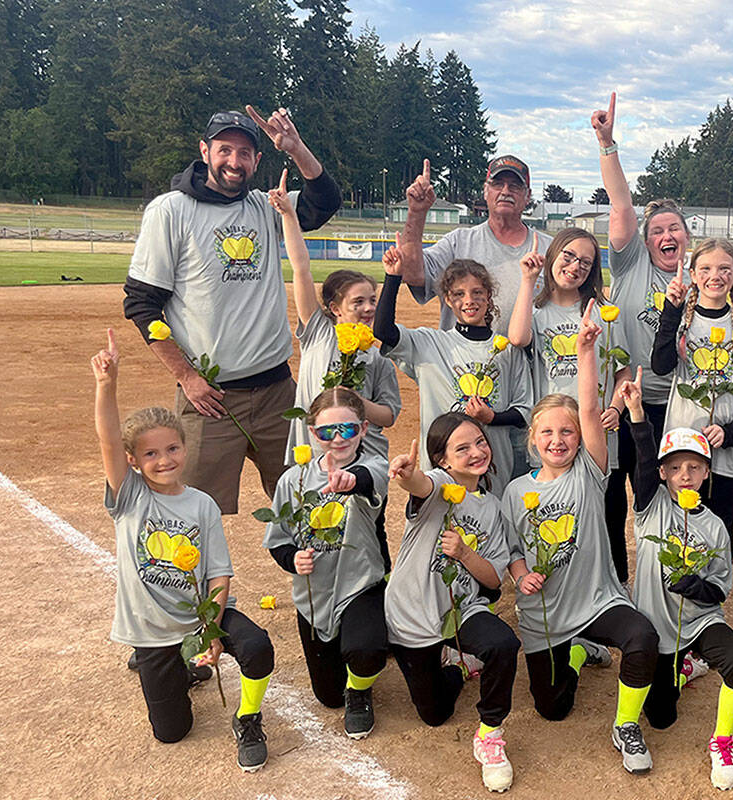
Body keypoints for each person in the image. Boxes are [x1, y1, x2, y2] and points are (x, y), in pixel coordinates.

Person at [122, 106, 341, 514]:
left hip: (278, 392)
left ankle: (311, 576)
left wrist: (295, 148)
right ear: (205, 151)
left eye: (245, 154)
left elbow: (323, 202)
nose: (234, 162)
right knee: (189, 514)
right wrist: (186, 377)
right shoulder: (170, 211)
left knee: (306, 500)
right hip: (211, 399)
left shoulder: (265, 206)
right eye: (225, 150)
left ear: (257, 160)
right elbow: (141, 303)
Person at [92, 329, 274, 771]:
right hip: (152, 630)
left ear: (184, 448)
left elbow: (218, 576)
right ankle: (174, 665)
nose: (164, 459)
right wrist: (107, 385)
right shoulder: (130, 496)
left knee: (256, 645)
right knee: (172, 733)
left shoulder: (201, 504)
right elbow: (109, 440)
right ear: (135, 461)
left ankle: (248, 716)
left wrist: (210, 632)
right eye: (150, 453)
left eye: (172, 448)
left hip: (198, 617)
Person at [502, 303, 661, 775]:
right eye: (548, 432)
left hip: (596, 600)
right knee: (552, 709)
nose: (558, 439)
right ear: (533, 440)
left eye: (567, 431)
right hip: (545, 612)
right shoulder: (515, 491)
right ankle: (575, 649)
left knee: (641, 637)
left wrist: (585, 351)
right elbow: (511, 549)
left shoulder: (589, 474)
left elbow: (590, 407)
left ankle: (626, 725)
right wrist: (521, 573)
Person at [622, 371, 733, 791]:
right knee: (661, 718)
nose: (683, 473)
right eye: (674, 467)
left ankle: (722, 738)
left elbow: (719, 587)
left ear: (705, 474)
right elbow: (643, 459)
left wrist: (697, 587)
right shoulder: (650, 507)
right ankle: (681, 670)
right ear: (663, 474)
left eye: (693, 467)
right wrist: (638, 414)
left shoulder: (715, 526)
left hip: (698, 620)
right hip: (657, 627)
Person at [270, 172, 401, 566]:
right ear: (334, 307)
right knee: (313, 524)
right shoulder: (318, 334)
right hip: (313, 451)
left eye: (372, 300)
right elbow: (301, 268)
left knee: (366, 530)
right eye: (358, 301)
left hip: (364, 459)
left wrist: (353, 402)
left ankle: (374, 588)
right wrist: (290, 217)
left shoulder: (377, 356)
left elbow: (389, 415)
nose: (368, 308)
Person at [386, 416, 522, 794]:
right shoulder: (441, 485)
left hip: (461, 607)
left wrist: (463, 552)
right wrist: (409, 475)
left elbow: (494, 580)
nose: (476, 452)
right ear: (443, 460)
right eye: (462, 448)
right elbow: (420, 485)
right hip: (413, 614)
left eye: (480, 442)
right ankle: (458, 667)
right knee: (435, 714)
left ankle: (490, 733)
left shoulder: (493, 508)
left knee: (503, 644)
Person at [592, 91, 691, 583]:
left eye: (675, 229)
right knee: (612, 496)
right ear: (645, 239)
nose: (666, 236)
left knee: (663, 498)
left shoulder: (705, 284)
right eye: (657, 231)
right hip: (622, 401)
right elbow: (621, 204)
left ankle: (662, 584)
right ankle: (615, 583)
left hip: (674, 410)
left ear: (686, 238)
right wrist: (608, 146)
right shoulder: (630, 264)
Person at [262, 387, 390, 740]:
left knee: (364, 651)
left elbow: (365, 482)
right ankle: (348, 678)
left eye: (347, 429)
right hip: (314, 593)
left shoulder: (373, 466)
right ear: (312, 434)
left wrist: (348, 481)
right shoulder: (293, 480)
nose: (337, 439)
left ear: (363, 429)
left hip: (359, 584)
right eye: (326, 431)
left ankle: (361, 691)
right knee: (328, 696)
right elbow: (279, 541)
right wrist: (294, 559)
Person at [508, 228, 633, 583]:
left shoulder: (605, 312)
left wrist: (616, 408)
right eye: (568, 255)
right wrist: (528, 280)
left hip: (595, 432)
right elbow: (517, 338)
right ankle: (558, 587)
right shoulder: (536, 308)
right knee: (556, 513)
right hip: (554, 434)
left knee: (606, 514)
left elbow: (622, 372)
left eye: (586, 262)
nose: (575, 266)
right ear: (553, 255)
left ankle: (613, 586)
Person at [374, 246, 531, 497]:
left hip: (493, 471)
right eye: (459, 294)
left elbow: (525, 411)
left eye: (478, 292)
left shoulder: (509, 350)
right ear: (447, 299)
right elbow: (383, 332)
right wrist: (393, 277)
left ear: (489, 297)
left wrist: (492, 417)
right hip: (442, 472)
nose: (469, 300)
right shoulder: (429, 343)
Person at [652, 239, 733, 541]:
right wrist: (671, 311)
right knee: (680, 530)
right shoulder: (680, 321)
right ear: (693, 274)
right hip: (683, 449)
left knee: (721, 529)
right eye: (705, 269)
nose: (714, 276)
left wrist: (730, 433)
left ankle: (715, 589)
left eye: (724, 269)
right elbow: (660, 365)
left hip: (727, 452)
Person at [399, 157, 553, 335]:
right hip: (464, 361)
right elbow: (412, 274)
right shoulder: (458, 243)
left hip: (528, 361)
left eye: (515, 186)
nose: (505, 191)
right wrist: (416, 213)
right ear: (486, 191)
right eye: (497, 184)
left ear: (527, 197)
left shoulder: (550, 249)